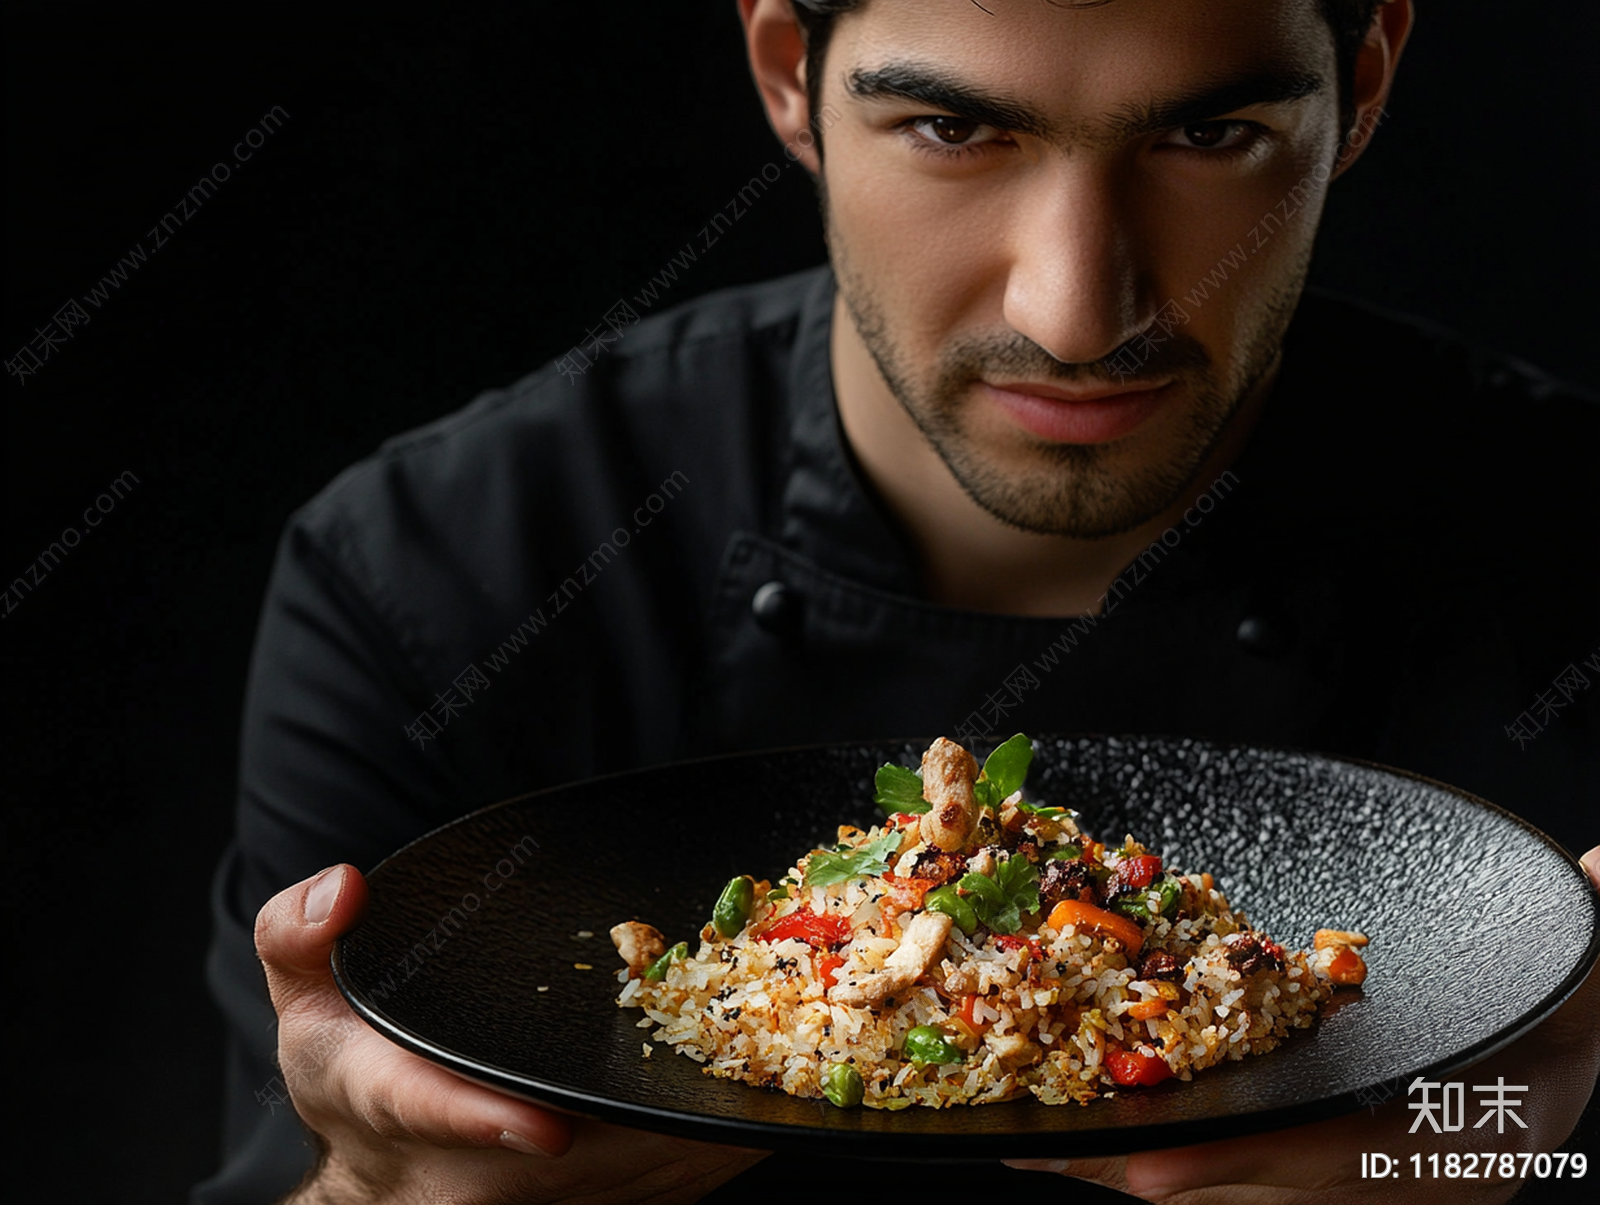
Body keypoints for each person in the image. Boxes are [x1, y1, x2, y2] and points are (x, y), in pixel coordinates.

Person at [195, 1, 1600, 1202]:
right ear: (785, 73)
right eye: (952, 130)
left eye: (1206, 136)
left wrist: (1516, 1157)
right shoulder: (433, 571)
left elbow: (1540, 1147)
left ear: (1361, 88)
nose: (1074, 312)